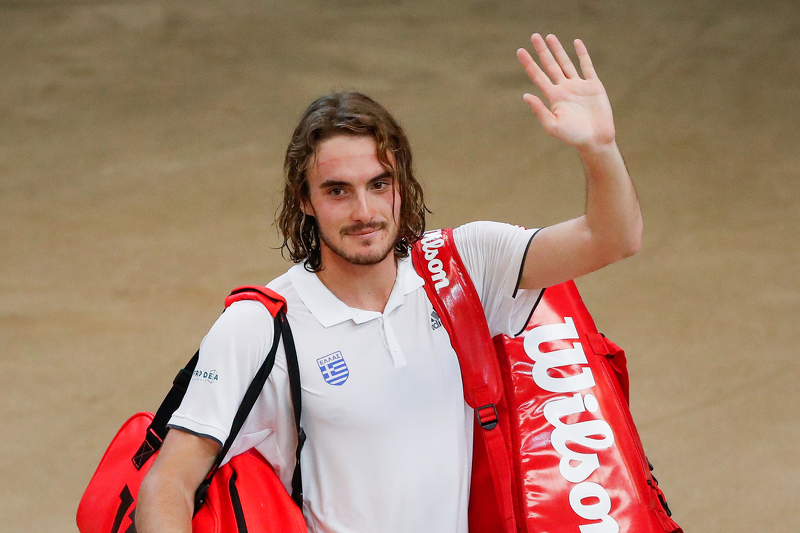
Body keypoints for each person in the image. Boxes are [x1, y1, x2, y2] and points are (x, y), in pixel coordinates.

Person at [136, 33, 642, 533]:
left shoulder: (466, 267)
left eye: (380, 184)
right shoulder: (260, 326)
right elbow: (169, 485)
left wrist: (600, 150)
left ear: (403, 183)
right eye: (338, 191)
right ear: (305, 200)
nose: (365, 212)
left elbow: (611, 238)